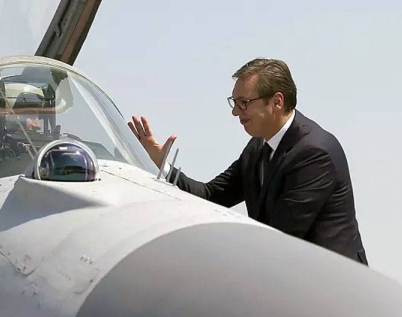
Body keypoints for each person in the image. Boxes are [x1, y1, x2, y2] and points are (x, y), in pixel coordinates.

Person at [127, 57, 368, 266]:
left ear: (277, 101)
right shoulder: (257, 147)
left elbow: (279, 237)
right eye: (234, 103)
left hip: (333, 291)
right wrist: (163, 166)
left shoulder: (315, 153)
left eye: (244, 103)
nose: (235, 112)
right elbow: (211, 195)